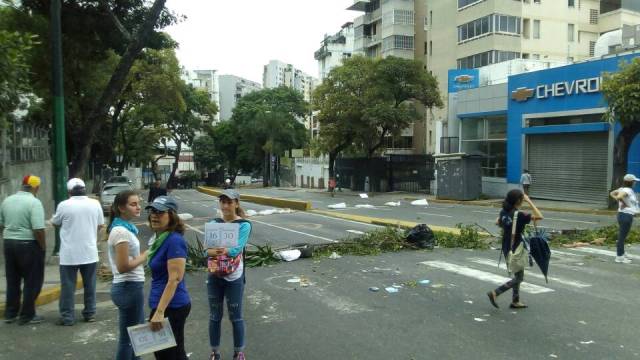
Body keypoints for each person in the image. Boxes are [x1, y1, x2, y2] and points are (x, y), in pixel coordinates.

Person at [51, 178, 104, 326]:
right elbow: (100, 225)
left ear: (69, 192)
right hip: (89, 252)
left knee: (68, 286)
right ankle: (90, 313)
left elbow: (55, 222)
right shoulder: (95, 204)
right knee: (90, 285)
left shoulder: (64, 205)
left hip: (69, 254)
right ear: (84, 189)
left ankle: (67, 317)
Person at [206, 189, 252, 360]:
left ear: (236, 204)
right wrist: (216, 250)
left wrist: (218, 249)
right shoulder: (214, 222)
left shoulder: (244, 225)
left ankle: (239, 352)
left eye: (229, 202)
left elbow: (235, 250)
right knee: (214, 316)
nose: (225, 205)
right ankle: (214, 352)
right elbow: (206, 252)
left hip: (234, 276)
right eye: (223, 202)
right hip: (214, 275)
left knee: (236, 316)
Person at [146, 196, 191, 360]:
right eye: (152, 211)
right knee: (165, 353)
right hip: (161, 304)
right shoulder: (161, 238)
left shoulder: (174, 241)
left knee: (171, 354)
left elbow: (174, 279)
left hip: (172, 306)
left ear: (171, 215)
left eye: (160, 212)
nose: (154, 215)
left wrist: (159, 312)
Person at [0, 175, 46, 325]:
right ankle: (27, 315)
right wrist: (43, 247)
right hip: (28, 244)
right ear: (36, 188)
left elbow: (1, 224)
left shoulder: (7, 200)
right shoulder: (34, 203)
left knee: (13, 280)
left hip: (9, 243)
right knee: (32, 281)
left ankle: (10, 313)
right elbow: (38, 229)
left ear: (22, 185)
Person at [107, 190, 148, 360]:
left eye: (139, 203)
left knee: (136, 336)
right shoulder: (120, 232)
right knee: (128, 340)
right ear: (121, 208)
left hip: (130, 286)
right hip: (128, 286)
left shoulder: (126, 229)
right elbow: (123, 266)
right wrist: (145, 255)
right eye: (133, 204)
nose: (138, 207)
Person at [487, 189, 543, 309]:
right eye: (522, 199)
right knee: (519, 277)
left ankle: (515, 300)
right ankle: (495, 292)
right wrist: (530, 202)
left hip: (507, 245)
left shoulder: (503, 212)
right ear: (518, 200)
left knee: (518, 272)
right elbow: (539, 216)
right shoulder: (520, 215)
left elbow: (497, 222)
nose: (523, 200)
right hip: (517, 247)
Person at [609, 174, 640, 264]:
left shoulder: (622, 189)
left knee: (623, 236)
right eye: (634, 182)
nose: (635, 183)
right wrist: (622, 201)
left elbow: (612, 193)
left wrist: (622, 201)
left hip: (624, 215)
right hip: (625, 215)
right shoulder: (627, 190)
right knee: (622, 237)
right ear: (631, 182)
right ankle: (619, 257)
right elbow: (619, 196)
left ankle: (622, 253)